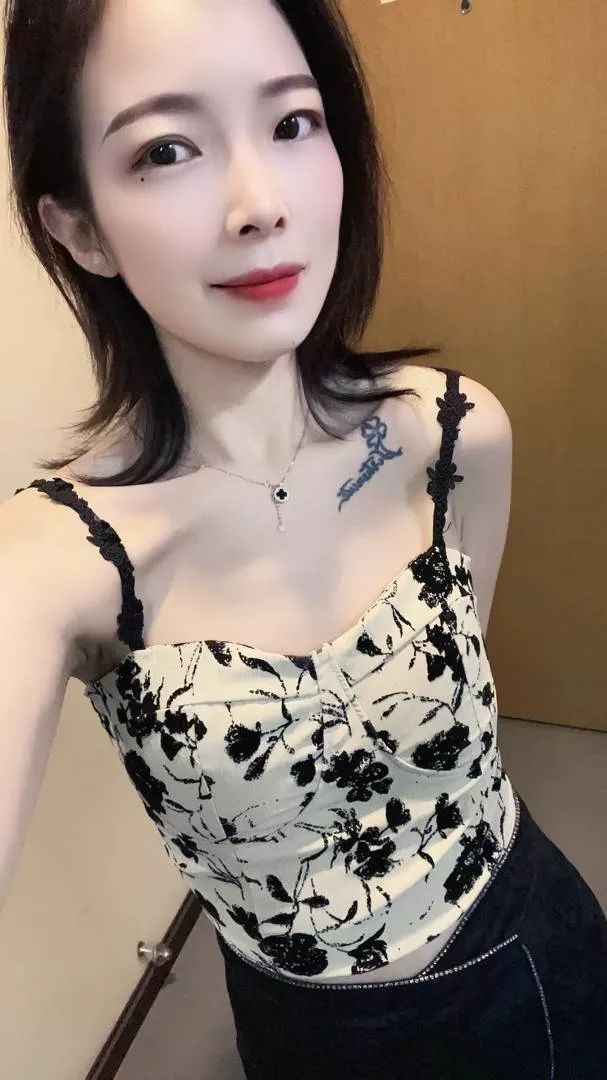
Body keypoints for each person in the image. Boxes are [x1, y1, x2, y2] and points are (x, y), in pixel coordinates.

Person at [1, 1, 605, 1077]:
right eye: (166, 149)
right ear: (80, 228)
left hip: (534, 951)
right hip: (304, 1029)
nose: (260, 204)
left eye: (291, 123)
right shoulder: (59, 562)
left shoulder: (453, 432)